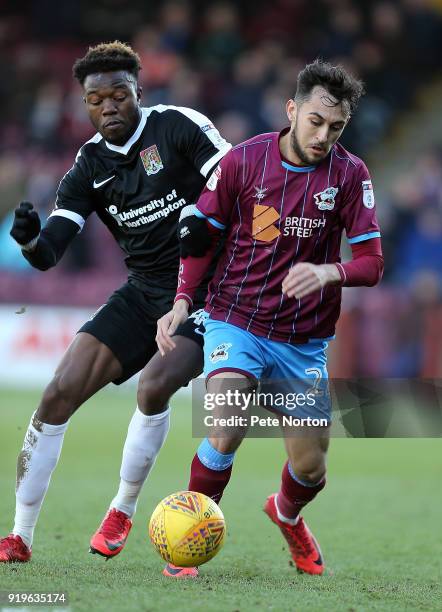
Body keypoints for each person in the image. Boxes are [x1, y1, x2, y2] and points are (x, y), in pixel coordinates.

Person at [0, 41, 231, 563]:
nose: (108, 107)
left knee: (153, 386)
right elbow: (51, 251)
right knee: (57, 392)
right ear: (83, 104)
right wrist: (31, 241)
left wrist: (200, 215)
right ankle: (19, 535)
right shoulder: (87, 165)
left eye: (119, 96)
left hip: (209, 289)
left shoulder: (178, 125)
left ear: (139, 94)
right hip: (145, 288)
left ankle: (123, 507)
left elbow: (233, 175)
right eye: (95, 99)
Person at [156, 59, 384, 578]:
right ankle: (186, 544)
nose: (324, 135)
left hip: (302, 342)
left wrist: (329, 272)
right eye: (315, 121)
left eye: (336, 127)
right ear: (292, 109)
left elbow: (372, 264)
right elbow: (203, 234)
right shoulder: (244, 160)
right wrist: (183, 299)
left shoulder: (350, 175)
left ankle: (285, 514)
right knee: (226, 425)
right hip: (236, 318)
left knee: (310, 467)